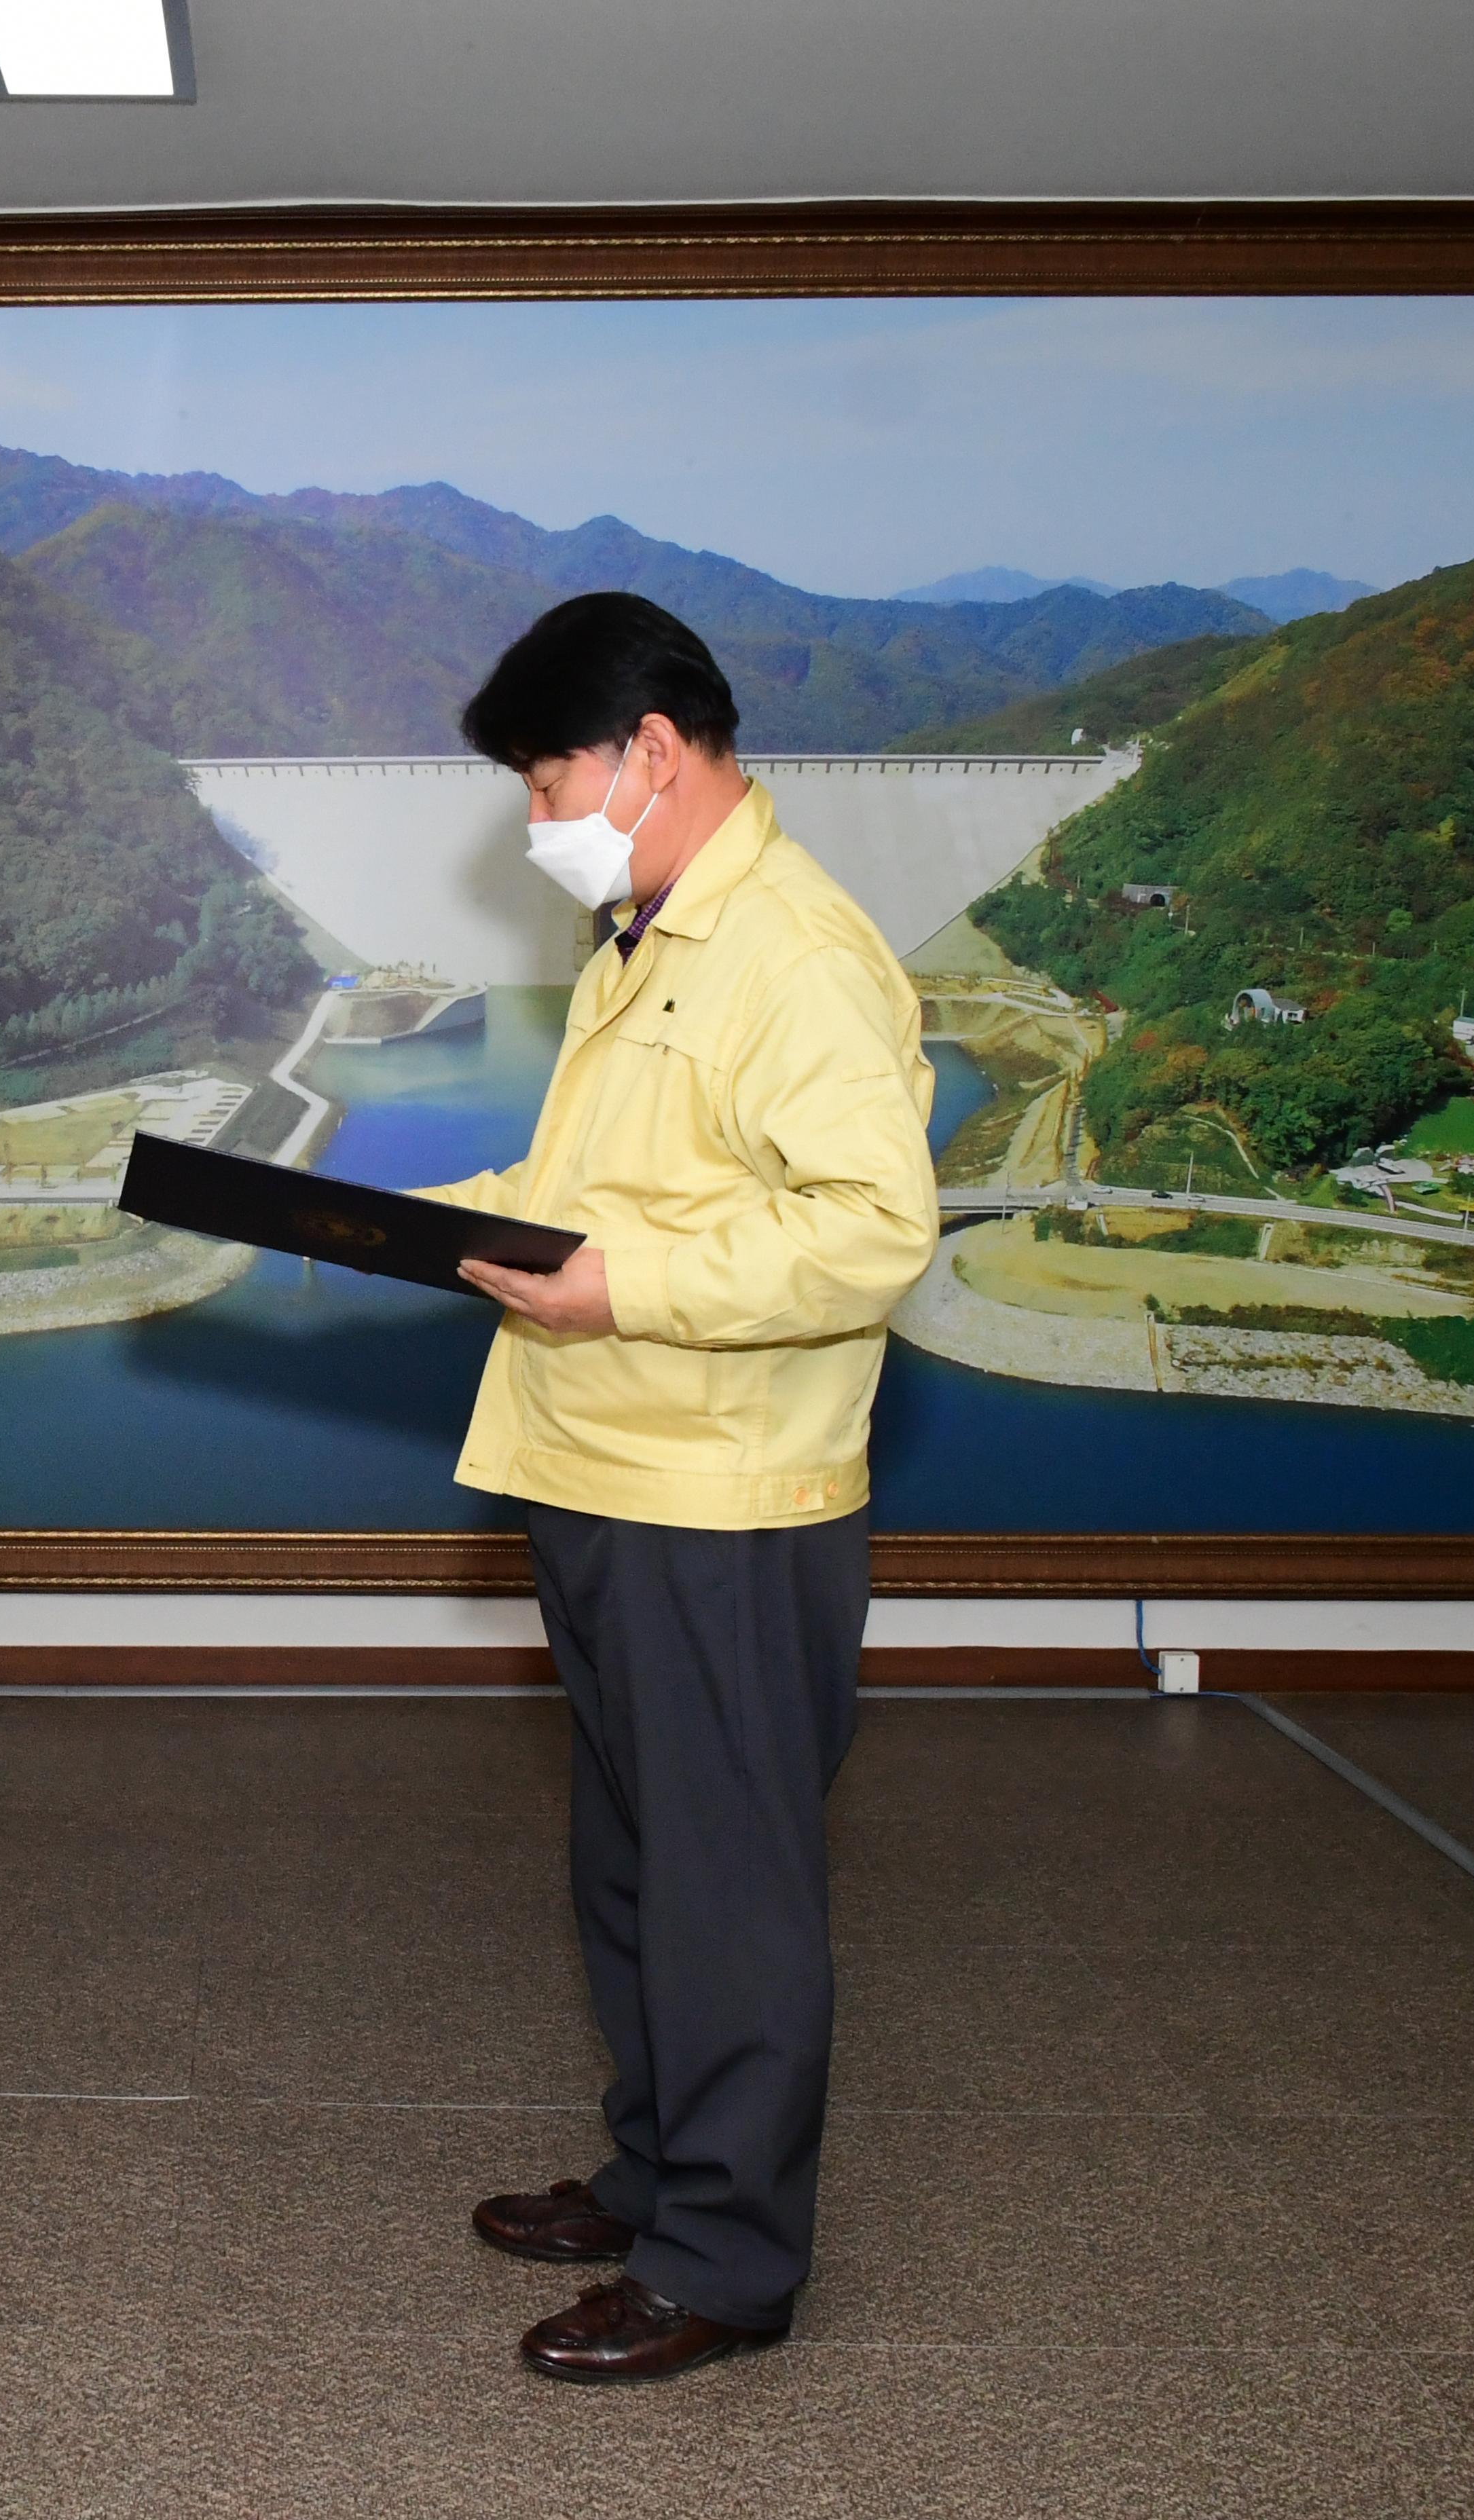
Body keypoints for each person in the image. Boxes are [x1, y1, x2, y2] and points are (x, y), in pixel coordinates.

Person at [424, 594, 940, 2383]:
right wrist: (452, 1224)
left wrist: (620, 1288)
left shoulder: (794, 950)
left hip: (724, 1497)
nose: (536, 817)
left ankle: (725, 2259)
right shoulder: (647, 933)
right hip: (610, 1464)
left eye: (550, 775)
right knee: (637, 1868)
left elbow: (875, 1232)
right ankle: (657, 2175)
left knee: (729, 1889)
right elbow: (615, 1182)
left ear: (650, 750)